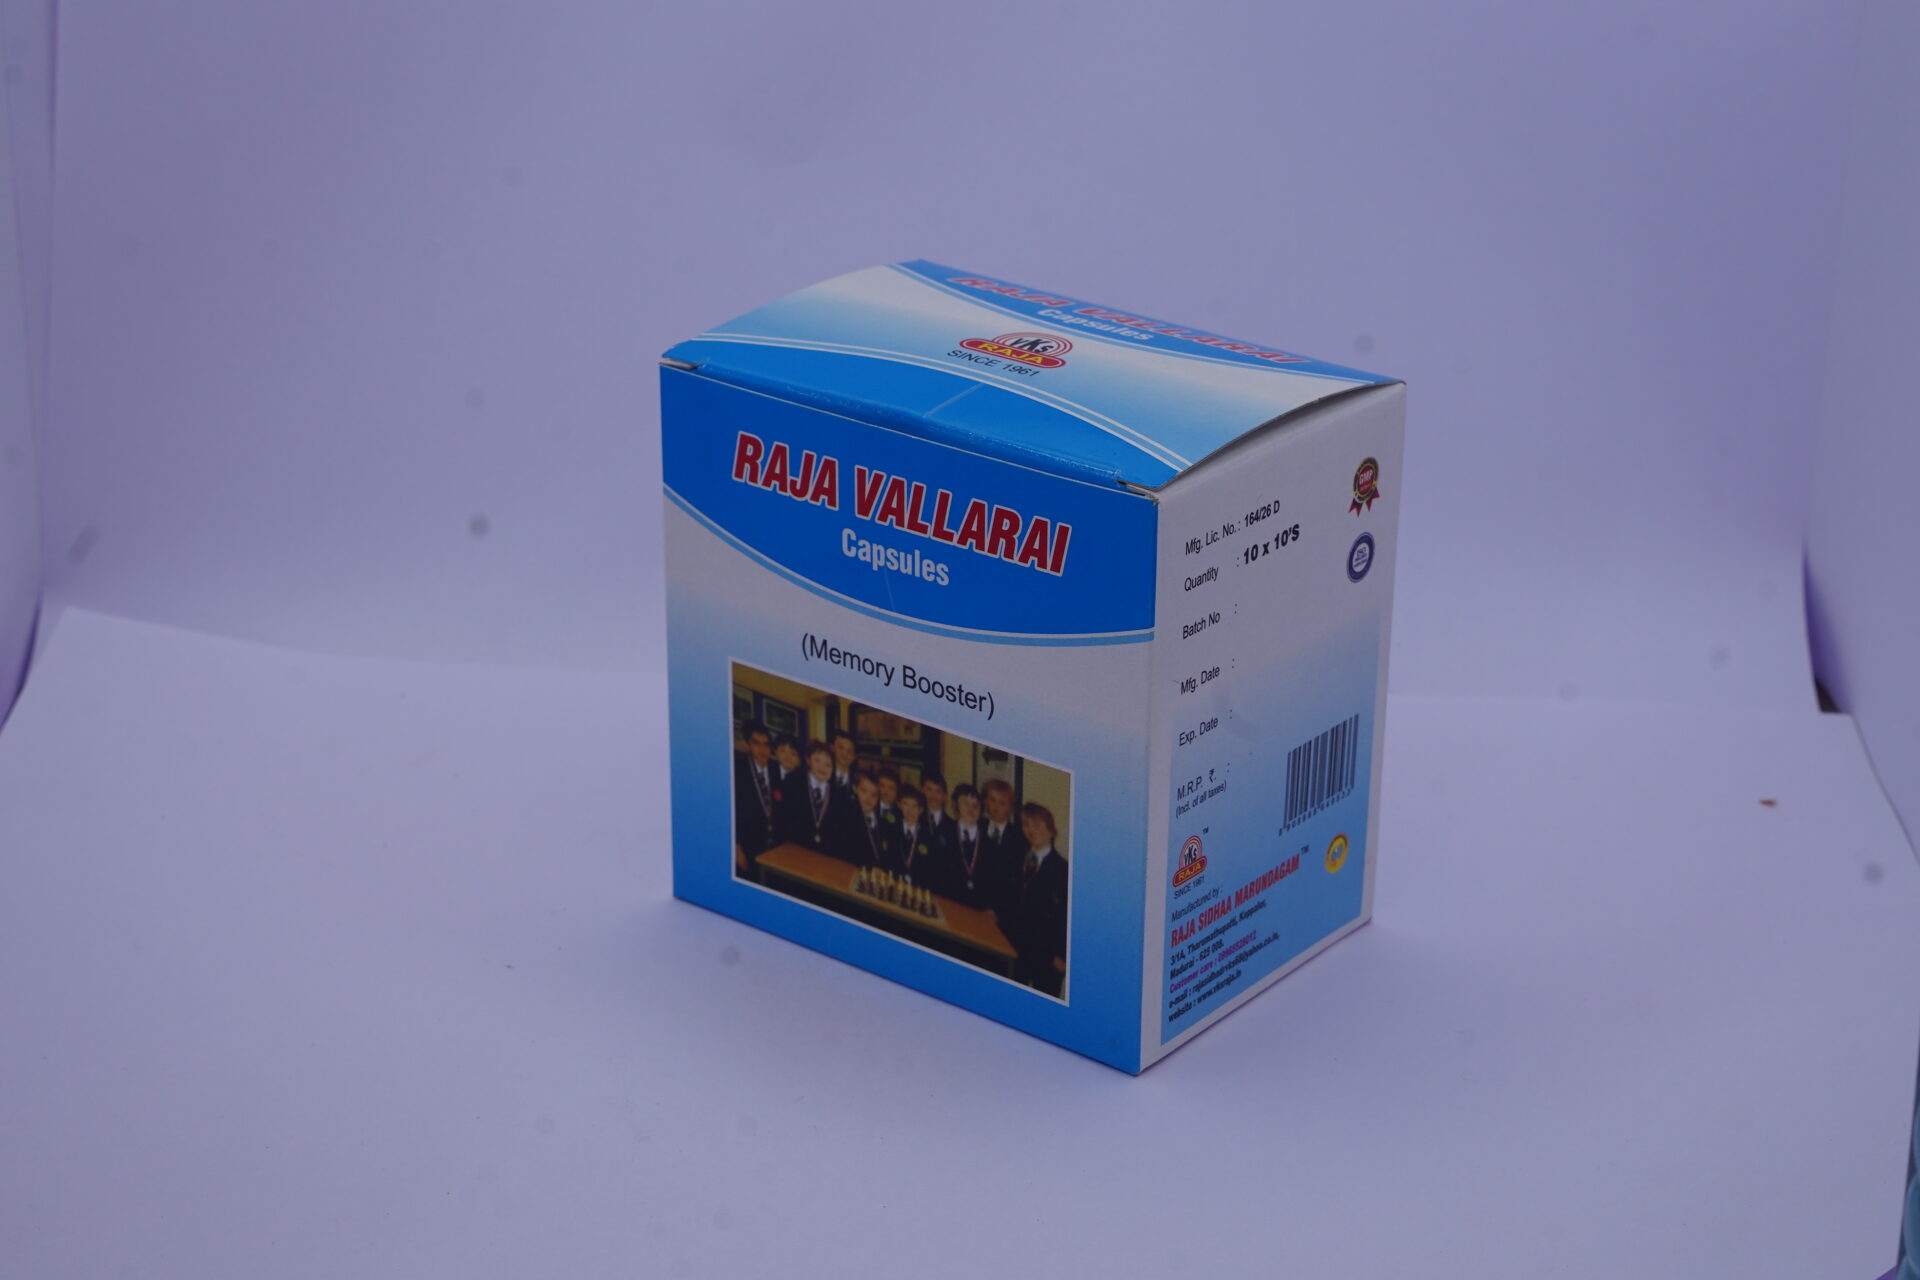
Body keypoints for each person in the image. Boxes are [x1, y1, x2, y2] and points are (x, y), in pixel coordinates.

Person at [1002, 803, 1068, 997]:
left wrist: (1062, 954)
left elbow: (1066, 917)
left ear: (1051, 831)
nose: (1032, 830)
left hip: (1048, 955)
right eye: (1027, 825)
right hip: (1015, 947)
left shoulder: (1063, 870)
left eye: (1038, 825)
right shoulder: (1016, 858)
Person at [780, 739, 843, 853]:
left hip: (825, 854)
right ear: (808, 760)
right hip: (795, 850)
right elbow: (785, 820)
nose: (822, 767)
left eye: (828, 765)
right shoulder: (793, 783)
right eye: (817, 760)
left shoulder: (838, 794)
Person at [943, 784, 995, 909]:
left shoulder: (990, 843)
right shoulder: (944, 833)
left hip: (978, 907)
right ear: (956, 806)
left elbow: (992, 881)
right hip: (950, 902)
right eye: (966, 804)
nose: (971, 809)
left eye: (976, 805)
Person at [980, 779, 1026, 916]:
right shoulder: (977, 826)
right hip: (973, 902)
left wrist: (996, 909)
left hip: (1001, 910)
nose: (996, 807)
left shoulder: (1019, 838)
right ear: (985, 801)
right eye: (992, 800)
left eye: (1002, 803)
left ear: (1010, 808)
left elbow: (1015, 882)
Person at [733, 723, 779, 861]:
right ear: (747, 745)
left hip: (774, 847)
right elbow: (734, 811)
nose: (762, 750)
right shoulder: (738, 771)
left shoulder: (775, 770)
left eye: (766, 745)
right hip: (747, 845)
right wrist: (736, 846)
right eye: (756, 743)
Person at [833, 772, 894, 868]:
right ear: (855, 789)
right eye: (864, 791)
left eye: (873, 795)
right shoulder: (847, 817)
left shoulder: (883, 823)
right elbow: (845, 851)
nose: (868, 798)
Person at [892, 786, 939, 884]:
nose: (910, 810)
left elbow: (931, 870)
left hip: (919, 887)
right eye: (905, 804)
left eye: (914, 806)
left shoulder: (929, 837)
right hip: (894, 883)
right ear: (899, 805)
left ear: (921, 810)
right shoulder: (891, 831)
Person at [920, 773, 954, 849]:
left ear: (945, 796)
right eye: (929, 789)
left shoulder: (953, 827)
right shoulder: (916, 819)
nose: (933, 795)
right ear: (922, 791)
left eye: (938, 791)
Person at [828, 729, 859, 799]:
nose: (844, 754)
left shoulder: (858, 781)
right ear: (832, 748)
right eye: (840, 748)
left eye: (849, 751)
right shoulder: (824, 775)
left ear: (854, 757)